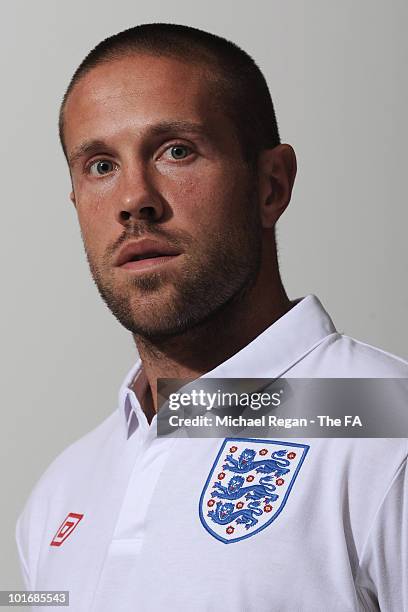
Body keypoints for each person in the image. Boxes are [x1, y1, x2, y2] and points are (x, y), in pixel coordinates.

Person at [16, 23, 407, 612]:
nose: (133, 199)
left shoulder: (388, 428)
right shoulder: (57, 494)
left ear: (271, 185)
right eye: (100, 166)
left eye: (177, 151)